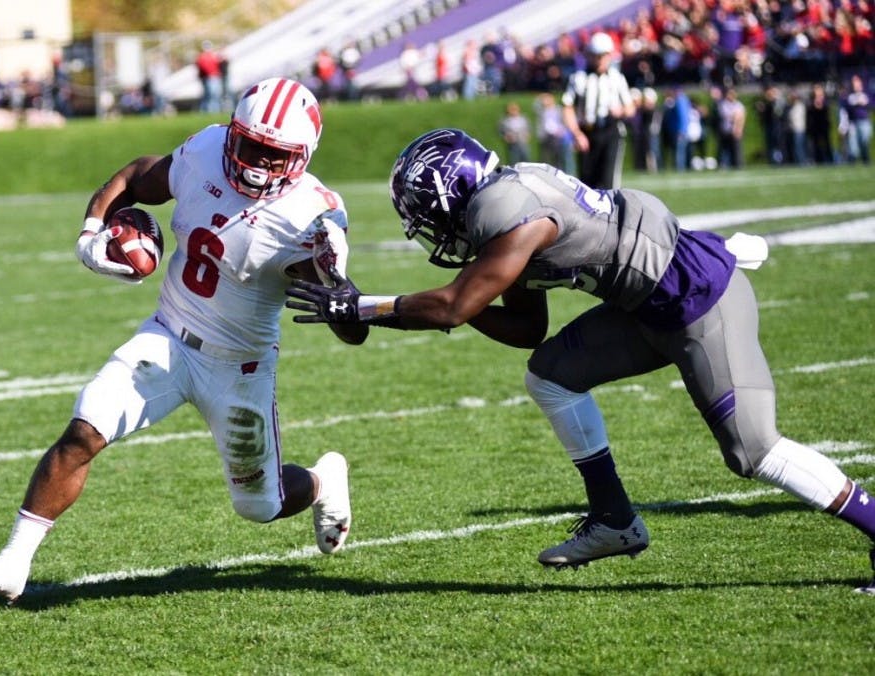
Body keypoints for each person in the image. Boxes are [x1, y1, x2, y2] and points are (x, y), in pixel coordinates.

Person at [284, 127, 875, 594]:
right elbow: (524, 327)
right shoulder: (506, 198)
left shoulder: (507, 210)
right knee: (551, 375)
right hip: (643, 303)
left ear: (449, 193)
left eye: (426, 211)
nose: (428, 228)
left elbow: (453, 308)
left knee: (753, 451)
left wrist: (366, 306)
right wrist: (423, 305)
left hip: (695, 299)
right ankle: (615, 519)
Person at [0, 78, 365, 603]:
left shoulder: (317, 216)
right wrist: (90, 237)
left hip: (238, 367)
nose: (258, 163)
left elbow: (349, 328)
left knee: (259, 506)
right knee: (85, 428)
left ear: (302, 158)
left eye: (274, 154)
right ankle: (13, 562)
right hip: (167, 336)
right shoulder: (205, 151)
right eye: (250, 145)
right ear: (233, 134)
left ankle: (323, 479)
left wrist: (337, 283)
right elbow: (133, 176)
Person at [561, 32, 635, 189]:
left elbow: (630, 108)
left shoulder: (617, 78)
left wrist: (621, 111)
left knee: (609, 183)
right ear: (589, 55)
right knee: (587, 184)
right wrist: (577, 133)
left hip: (611, 131)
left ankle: (611, 213)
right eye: (596, 55)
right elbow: (568, 107)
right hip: (587, 133)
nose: (600, 59)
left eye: (604, 55)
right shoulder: (579, 78)